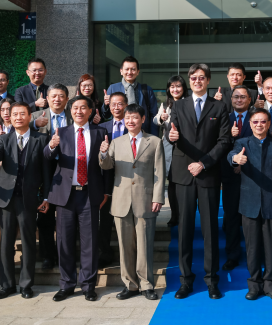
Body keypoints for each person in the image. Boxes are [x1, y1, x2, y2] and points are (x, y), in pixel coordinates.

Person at [167, 63, 231, 300]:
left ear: (208, 80)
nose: (197, 81)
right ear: (189, 80)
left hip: (208, 174)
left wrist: (203, 163)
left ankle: (212, 280)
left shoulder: (219, 106)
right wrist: (170, 136)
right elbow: (172, 133)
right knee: (184, 230)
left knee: (210, 230)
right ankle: (186, 280)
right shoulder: (178, 105)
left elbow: (224, 141)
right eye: (193, 77)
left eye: (201, 77)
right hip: (183, 175)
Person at [44, 95, 111, 302]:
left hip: (90, 194)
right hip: (65, 194)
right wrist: (51, 146)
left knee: (89, 241)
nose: (79, 111)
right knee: (64, 241)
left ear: (90, 111)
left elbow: (106, 165)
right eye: (75, 108)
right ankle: (66, 284)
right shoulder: (60, 132)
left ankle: (88, 285)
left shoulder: (101, 132)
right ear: (70, 111)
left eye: (83, 108)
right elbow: (47, 157)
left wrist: (106, 190)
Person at [99, 104, 165, 301]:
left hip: (145, 200)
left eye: (135, 117)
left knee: (145, 245)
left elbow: (159, 172)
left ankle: (147, 285)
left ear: (143, 119)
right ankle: (130, 284)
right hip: (121, 201)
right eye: (127, 118)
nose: (130, 121)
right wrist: (103, 153)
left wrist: (158, 197)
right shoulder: (116, 142)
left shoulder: (154, 142)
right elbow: (107, 166)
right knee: (125, 246)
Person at [0, 101, 51, 300]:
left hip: (29, 199)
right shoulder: (4, 139)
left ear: (30, 117)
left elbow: (46, 170)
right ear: (10, 118)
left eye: (22, 114)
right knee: (6, 243)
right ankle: (6, 285)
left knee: (29, 242)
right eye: (14, 114)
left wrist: (46, 196)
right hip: (6, 199)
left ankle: (26, 284)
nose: (18, 117)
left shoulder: (41, 139)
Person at [228, 108, 272, 301]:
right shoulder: (242, 143)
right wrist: (235, 159)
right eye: (255, 122)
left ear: (269, 124)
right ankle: (254, 285)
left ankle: (271, 285)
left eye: (263, 121)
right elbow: (232, 155)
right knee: (252, 247)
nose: (259, 125)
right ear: (250, 124)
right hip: (249, 203)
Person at [31, 83, 73, 270]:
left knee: (68, 216)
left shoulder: (74, 116)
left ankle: (66, 255)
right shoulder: (35, 117)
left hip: (68, 169)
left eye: (61, 96)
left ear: (67, 99)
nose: (57, 99)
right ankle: (47, 256)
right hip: (43, 170)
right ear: (47, 98)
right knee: (45, 217)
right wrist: (34, 124)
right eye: (53, 96)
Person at [221, 85, 252, 271]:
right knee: (231, 216)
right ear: (231, 100)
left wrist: (243, 163)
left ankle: (253, 255)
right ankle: (232, 255)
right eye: (236, 97)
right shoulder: (224, 118)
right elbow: (219, 144)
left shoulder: (257, 118)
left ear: (249, 99)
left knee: (252, 217)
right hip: (230, 175)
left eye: (243, 97)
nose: (239, 100)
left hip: (253, 176)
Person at [97, 92, 130, 268]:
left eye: (120, 104)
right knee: (105, 218)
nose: (116, 107)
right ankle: (105, 253)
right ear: (109, 107)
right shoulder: (101, 127)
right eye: (113, 104)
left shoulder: (134, 126)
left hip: (128, 177)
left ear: (126, 105)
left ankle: (129, 255)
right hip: (106, 179)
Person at [153, 76, 188, 227]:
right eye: (172, 87)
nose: (175, 89)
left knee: (184, 184)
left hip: (185, 147)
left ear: (184, 88)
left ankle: (185, 215)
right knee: (172, 183)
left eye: (178, 86)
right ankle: (174, 216)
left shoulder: (189, 103)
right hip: (169, 148)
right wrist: (161, 117)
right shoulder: (165, 105)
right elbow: (155, 120)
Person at [102, 56, 159, 135]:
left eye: (133, 69)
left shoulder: (147, 90)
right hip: (119, 132)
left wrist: (154, 135)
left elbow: (154, 115)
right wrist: (106, 105)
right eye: (127, 69)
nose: (129, 72)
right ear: (121, 71)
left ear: (138, 72)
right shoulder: (113, 88)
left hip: (142, 133)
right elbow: (105, 115)